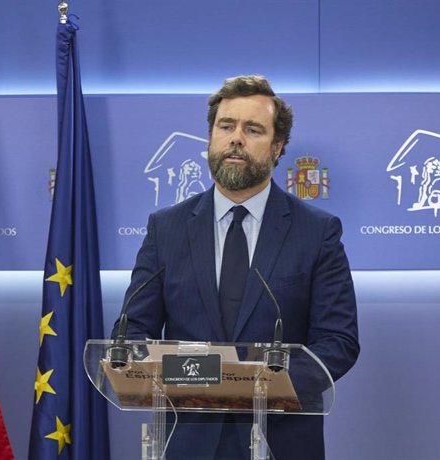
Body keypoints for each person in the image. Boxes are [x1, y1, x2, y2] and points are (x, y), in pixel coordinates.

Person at [112, 75, 360, 459]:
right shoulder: (166, 228)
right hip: (187, 439)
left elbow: (338, 342)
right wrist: (183, 373)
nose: (236, 138)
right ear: (211, 137)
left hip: (280, 439)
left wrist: (256, 387)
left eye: (253, 129)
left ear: (277, 148)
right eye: (225, 126)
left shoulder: (317, 232)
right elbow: (133, 333)